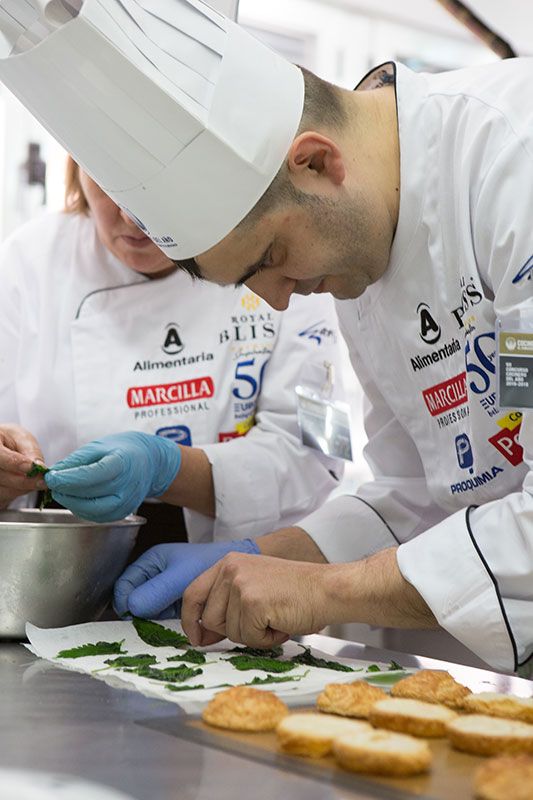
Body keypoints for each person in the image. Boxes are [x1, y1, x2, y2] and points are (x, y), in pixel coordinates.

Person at [1, 2, 530, 674]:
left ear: (316, 163)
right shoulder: (354, 250)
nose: (279, 298)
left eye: (272, 255)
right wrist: (266, 555)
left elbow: (326, 460)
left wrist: (322, 589)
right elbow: (408, 492)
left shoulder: (514, 159)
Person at [0, 156, 344, 555]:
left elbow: (323, 456)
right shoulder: (25, 266)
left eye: (153, 183)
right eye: (108, 181)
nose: (131, 219)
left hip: (245, 573)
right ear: (77, 167)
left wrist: (168, 469)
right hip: (61, 576)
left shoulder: (282, 253)